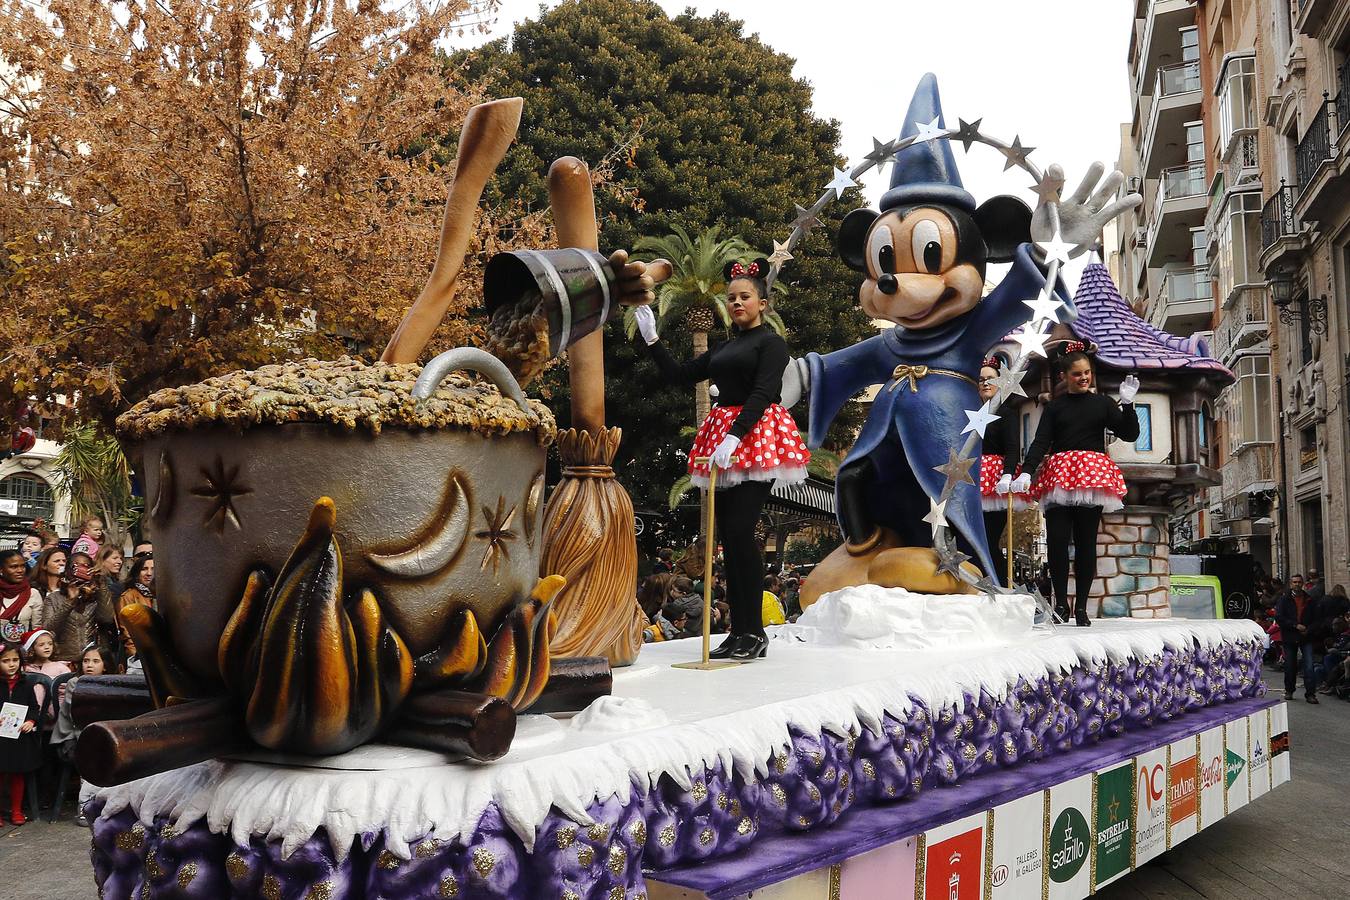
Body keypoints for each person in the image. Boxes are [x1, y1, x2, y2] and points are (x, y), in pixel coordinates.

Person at [634, 258, 808, 662]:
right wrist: (652, 339)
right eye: (731, 298)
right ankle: (741, 631)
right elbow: (678, 375)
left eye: (745, 296)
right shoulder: (725, 347)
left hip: (757, 435)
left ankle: (755, 631)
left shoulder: (771, 343)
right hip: (724, 438)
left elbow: (764, 392)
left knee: (742, 528)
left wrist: (734, 435)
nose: (736, 303)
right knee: (729, 537)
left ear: (762, 303)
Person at [1018, 342, 1140, 625]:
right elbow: (1040, 442)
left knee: (1086, 544)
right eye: (1077, 374)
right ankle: (1061, 605)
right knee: (1058, 543)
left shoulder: (1103, 404)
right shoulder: (1055, 408)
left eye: (1087, 373)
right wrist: (1026, 471)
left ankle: (1082, 608)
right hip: (1060, 477)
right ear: (1064, 377)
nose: (1084, 378)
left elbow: (1130, 433)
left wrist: (1129, 404)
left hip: (1091, 478)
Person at [979, 354, 1030, 582]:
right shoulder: (969, 412)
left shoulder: (1007, 413)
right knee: (973, 538)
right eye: (981, 379)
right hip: (972, 481)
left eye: (990, 378)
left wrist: (1007, 474)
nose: (985, 383)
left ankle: (1000, 584)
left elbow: (1012, 448)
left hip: (994, 484)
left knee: (989, 538)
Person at [50, 643, 112, 826]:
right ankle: (86, 806)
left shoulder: (112, 682)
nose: (89, 665)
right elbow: (78, 717)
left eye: (95, 661)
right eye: (86, 661)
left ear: (105, 665)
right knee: (91, 751)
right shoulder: (75, 684)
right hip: (74, 738)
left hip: (101, 735)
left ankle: (107, 802)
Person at [43, 551, 117, 661]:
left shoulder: (99, 596)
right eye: (76, 566)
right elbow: (48, 629)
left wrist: (101, 584)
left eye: (86, 567)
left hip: (94, 661)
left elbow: (107, 618)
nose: (81, 571)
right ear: (67, 571)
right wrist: (69, 602)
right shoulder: (54, 598)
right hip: (64, 661)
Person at [0, 640, 41, 825]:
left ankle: (16, 810)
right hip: (1, 739)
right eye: (6, 660)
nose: (11, 664)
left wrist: (30, 721)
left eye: (15, 660)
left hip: (19, 737)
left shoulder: (25, 684)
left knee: (18, 774)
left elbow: (34, 708)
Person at [1275, 581, 1322, 702]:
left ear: (1302, 584)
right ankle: (1289, 690)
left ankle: (1311, 694)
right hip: (1290, 636)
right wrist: (1295, 625)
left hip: (1306, 637)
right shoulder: (1284, 600)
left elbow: (1317, 619)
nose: (1297, 584)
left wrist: (1308, 629)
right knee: (1290, 665)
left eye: (1299, 582)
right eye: (1294, 582)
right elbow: (1280, 617)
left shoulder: (1309, 600)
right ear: (1291, 584)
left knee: (1309, 666)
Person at [0, 549, 44, 642]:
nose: (20, 570)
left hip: (21, 651)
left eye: (23, 566)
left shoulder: (33, 593)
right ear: (1, 570)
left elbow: (37, 628)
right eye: (14, 567)